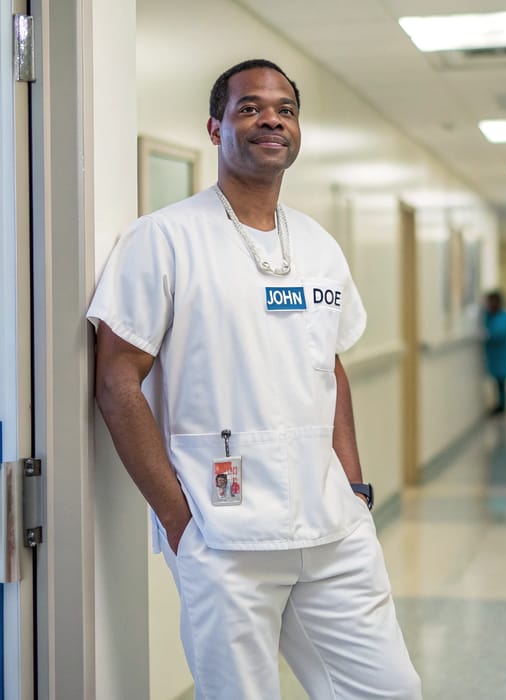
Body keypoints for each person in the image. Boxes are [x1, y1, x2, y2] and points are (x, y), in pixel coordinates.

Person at [88, 59, 421, 700]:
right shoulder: (163, 239)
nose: (271, 118)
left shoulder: (320, 245)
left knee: (389, 689)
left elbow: (332, 367)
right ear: (215, 129)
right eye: (250, 107)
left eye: (285, 109)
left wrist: (354, 490)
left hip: (333, 530)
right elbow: (116, 382)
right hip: (224, 535)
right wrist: (179, 522)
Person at [482, 290, 506, 415]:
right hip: (494, 356)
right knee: (497, 382)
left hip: (502, 355)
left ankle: (502, 405)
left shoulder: (505, 317)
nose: (489, 304)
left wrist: (488, 335)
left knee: (501, 382)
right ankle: (500, 404)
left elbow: (501, 333)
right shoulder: (489, 315)